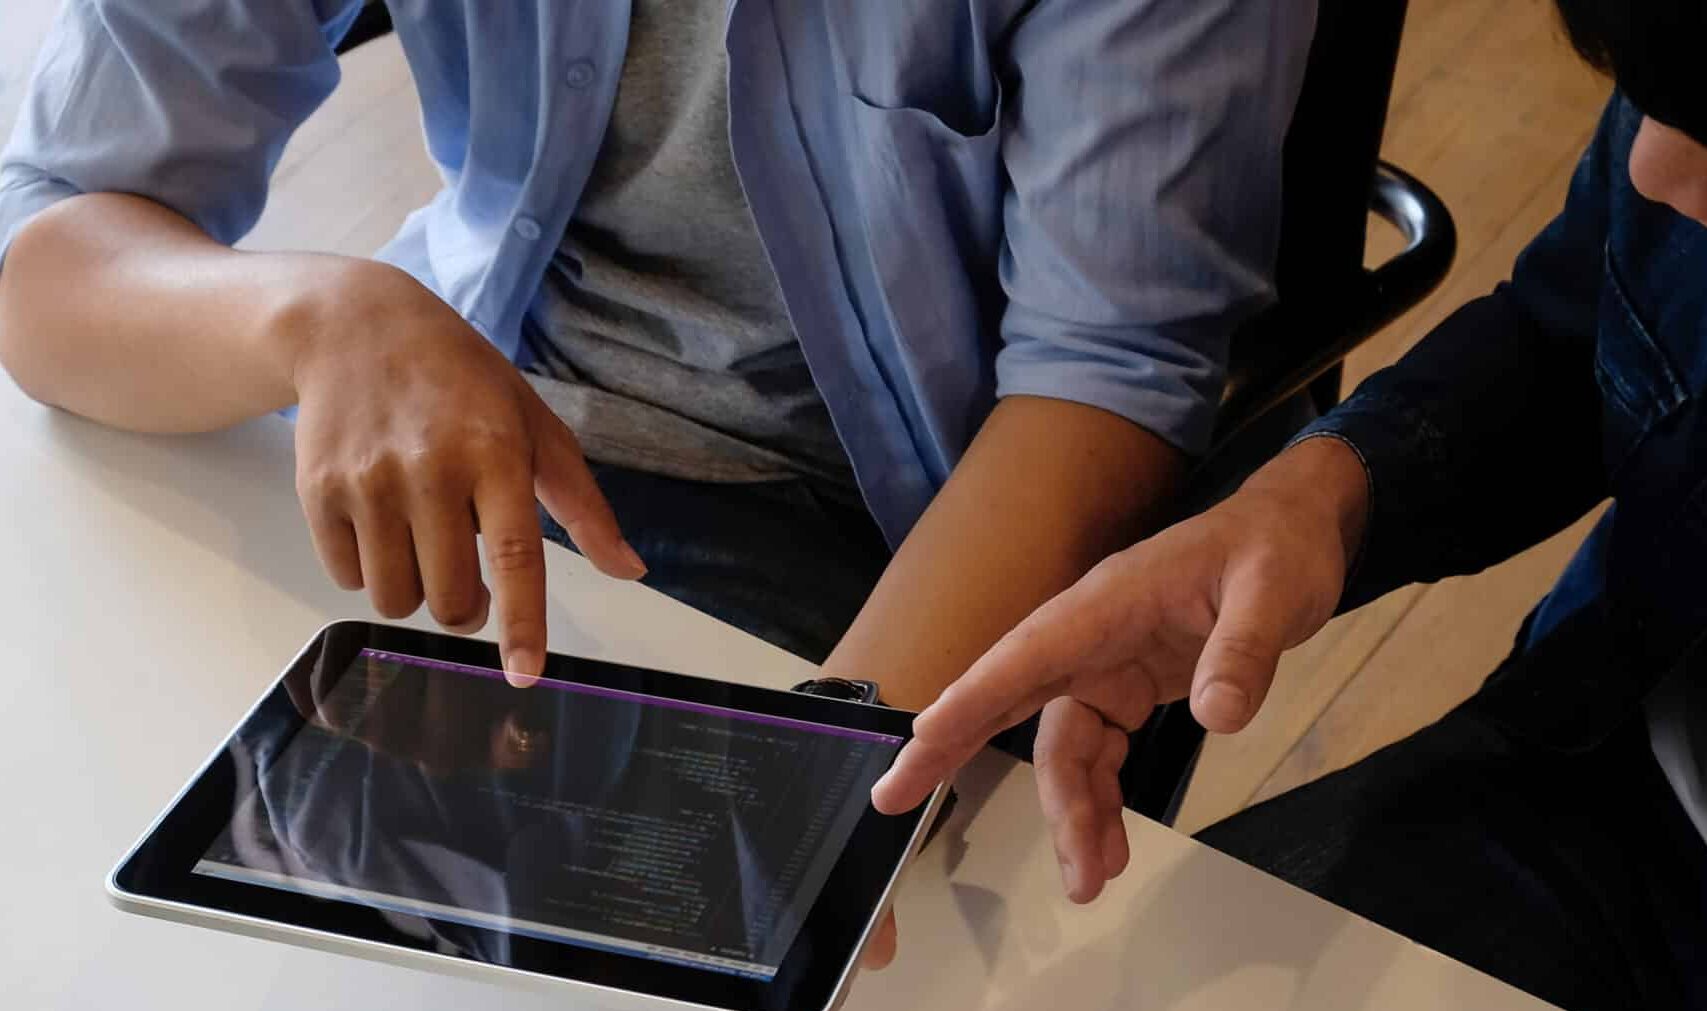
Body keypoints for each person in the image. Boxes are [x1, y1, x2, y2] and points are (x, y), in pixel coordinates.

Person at [874, 0, 1707, 1011]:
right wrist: (1318, 497)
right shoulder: (1685, 141)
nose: (1655, 171)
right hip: (1606, 768)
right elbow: (1582, 316)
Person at [0, 0, 1308, 723]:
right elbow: (51, 236)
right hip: (454, 400)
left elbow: (1106, 381)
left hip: (871, 535)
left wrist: (826, 769)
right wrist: (321, 315)